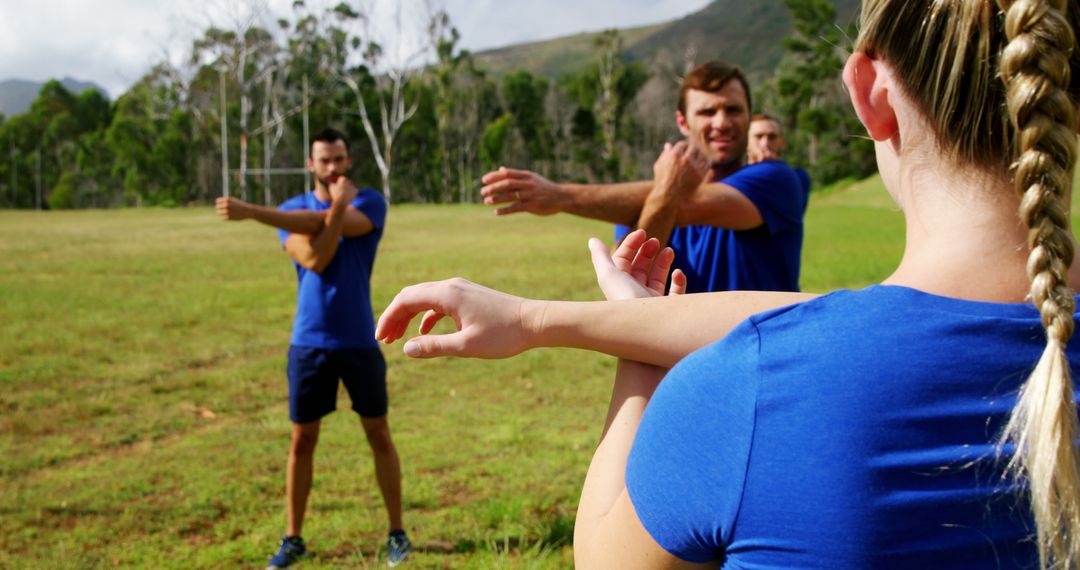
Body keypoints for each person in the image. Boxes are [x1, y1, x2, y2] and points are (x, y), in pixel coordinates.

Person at [374, 0, 1080, 568]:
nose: (724, 123)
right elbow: (841, 316)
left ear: (868, 91)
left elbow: (602, 556)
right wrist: (538, 318)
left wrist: (632, 338)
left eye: (733, 111)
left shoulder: (750, 373)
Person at [216, 128, 412, 569]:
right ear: (310, 164)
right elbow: (315, 258)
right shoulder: (290, 211)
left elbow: (336, 227)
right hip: (308, 343)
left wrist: (252, 211)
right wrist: (332, 209)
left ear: (349, 160)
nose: (333, 169)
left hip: (361, 339)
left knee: (379, 434)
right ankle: (293, 538)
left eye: (339, 159)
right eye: (324, 161)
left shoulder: (371, 203)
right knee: (301, 441)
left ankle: (397, 532)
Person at [480, 61, 810, 294]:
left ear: (749, 117)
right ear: (682, 122)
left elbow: (694, 205)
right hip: (680, 370)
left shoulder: (776, 179)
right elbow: (627, 283)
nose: (722, 122)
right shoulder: (650, 198)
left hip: (765, 363)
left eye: (733, 110)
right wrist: (664, 191)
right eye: (707, 111)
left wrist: (561, 196)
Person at [748, 112, 811, 194]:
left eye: (772, 137)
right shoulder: (733, 176)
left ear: (782, 142)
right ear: (746, 142)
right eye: (759, 136)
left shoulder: (798, 177)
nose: (765, 143)